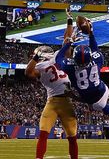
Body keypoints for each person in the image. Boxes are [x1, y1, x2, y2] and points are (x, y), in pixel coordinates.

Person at [55, 19, 109, 124]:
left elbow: (58, 57)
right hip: (102, 89)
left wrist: (69, 43)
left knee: (95, 104)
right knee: (97, 103)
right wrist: (91, 33)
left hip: (93, 100)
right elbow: (95, 49)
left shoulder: (69, 67)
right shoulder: (97, 60)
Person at [26, 13, 80, 159]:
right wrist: (69, 22)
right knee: (70, 136)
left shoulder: (42, 64)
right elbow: (67, 40)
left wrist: (69, 22)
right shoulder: (55, 57)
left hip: (55, 102)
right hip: (62, 101)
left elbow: (28, 72)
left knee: (46, 134)